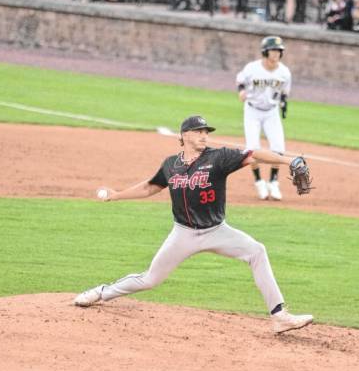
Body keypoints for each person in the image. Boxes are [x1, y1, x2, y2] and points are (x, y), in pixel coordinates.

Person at [73, 115, 314, 334]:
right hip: (183, 234)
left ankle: (279, 316)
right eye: (199, 131)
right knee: (150, 279)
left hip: (218, 231)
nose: (204, 135)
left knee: (257, 251)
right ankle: (101, 292)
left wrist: (288, 160)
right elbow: (150, 186)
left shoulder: (218, 157)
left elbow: (253, 155)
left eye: (206, 132)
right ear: (185, 135)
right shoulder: (170, 165)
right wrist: (116, 195)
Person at [236, 36, 291, 201]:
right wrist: (241, 91)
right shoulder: (252, 68)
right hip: (252, 111)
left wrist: (283, 103)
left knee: (278, 147)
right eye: (273, 51)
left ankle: (273, 182)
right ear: (265, 52)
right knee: (252, 149)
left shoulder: (284, 72)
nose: (275, 54)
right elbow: (240, 80)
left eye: (278, 51)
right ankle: (259, 182)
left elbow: (284, 92)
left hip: (271, 112)